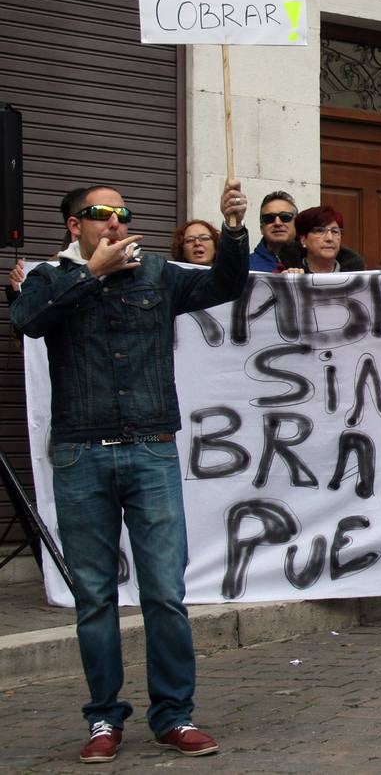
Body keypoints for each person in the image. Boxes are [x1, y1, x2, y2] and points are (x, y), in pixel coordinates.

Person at [10, 181, 251, 762]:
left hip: (150, 448)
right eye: (101, 214)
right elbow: (28, 319)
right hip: (79, 453)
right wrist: (89, 272)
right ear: (75, 225)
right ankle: (103, 719)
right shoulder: (50, 276)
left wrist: (235, 230)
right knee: (94, 597)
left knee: (165, 592)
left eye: (123, 213)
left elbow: (225, 283)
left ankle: (174, 714)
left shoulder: (159, 274)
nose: (116, 222)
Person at [281, 205, 365, 274]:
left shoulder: (358, 277)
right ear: (303, 240)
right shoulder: (285, 273)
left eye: (335, 231)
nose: (329, 238)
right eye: (320, 231)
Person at [249, 190, 298, 273]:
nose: (277, 223)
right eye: (269, 218)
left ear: (297, 223)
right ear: (261, 228)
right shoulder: (245, 266)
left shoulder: (313, 262)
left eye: (285, 217)